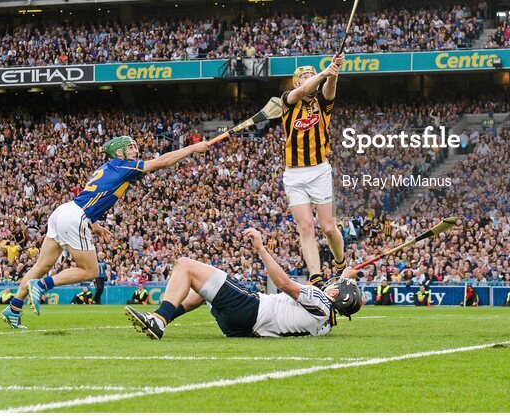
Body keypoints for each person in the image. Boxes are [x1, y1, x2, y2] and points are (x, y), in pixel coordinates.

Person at [1, 135, 212, 329]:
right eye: (130, 147)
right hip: (75, 216)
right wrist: (193, 148)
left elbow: (92, 197)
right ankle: (42, 284)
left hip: (64, 211)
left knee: (42, 265)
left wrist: (95, 225)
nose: (135, 150)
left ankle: (14, 308)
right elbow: (163, 162)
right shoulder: (124, 165)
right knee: (90, 272)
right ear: (119, 152)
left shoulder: (110, 167)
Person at [125, 228, 361, 339]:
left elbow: (284, 283)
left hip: (251, 309)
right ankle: (163, 318)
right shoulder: (326, 323)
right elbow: (319, 294)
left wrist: (261, 248)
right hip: (241, 329)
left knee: (186, 265)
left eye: (336, 286)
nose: (333, 283)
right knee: (201, 289)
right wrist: (345, 278)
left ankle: (158, 319)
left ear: (334, 293)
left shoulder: (320, 300)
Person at [281, 56, 347, 287]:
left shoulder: (322, 103)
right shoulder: (288, 101)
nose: (310, 81)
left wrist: (333, 72)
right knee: (306, 227)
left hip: (319, 170)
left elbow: (330, 89)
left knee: (328, 227)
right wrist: (323, 73)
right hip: (294, 174)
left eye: (312, 75)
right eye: (305, 77)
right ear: (297, 82)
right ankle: (316, 277)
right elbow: (302, 91)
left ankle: (340, 263)